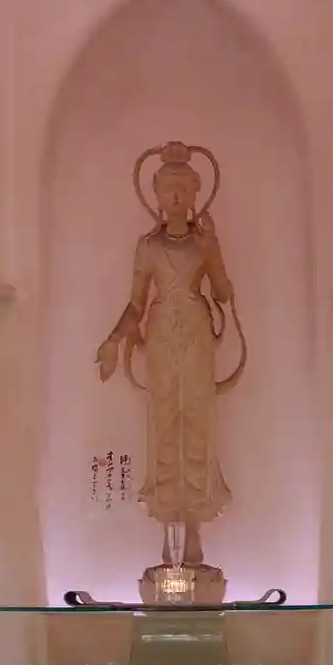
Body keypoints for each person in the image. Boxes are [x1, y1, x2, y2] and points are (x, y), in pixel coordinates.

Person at [96, 141, 236, 571]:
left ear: (194, 193)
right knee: (164, 425)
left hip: (196, 335)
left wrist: (213, 250)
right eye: (168, 189)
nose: (175, 196)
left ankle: (193, 528)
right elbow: (135, 304)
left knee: (197, 424)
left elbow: (223, 293)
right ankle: (167, 524)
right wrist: (114, 340)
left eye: (183, 189)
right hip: (160, 337)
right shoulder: (148, 247)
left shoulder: (203, 243)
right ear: (156, 194)